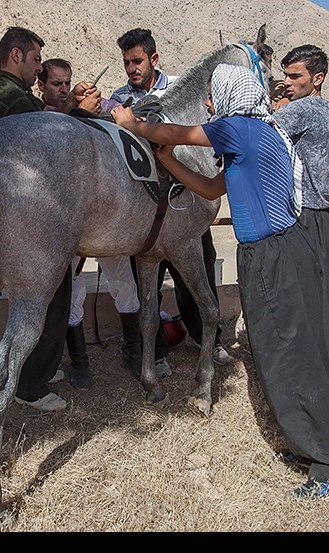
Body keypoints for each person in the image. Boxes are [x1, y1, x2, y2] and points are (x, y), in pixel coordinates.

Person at [112, 64, 329, 499]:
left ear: (230, 96)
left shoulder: (241, 129)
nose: (208, 102)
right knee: (277, 351)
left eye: (212, 95)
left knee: (289, 354)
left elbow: (181, 133)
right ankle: (307, 447)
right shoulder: (259, 135)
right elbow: (209, 188)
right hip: (273, 251)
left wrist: (134, 124)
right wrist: (166, 162)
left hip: (272, 254)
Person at [0, 26, 99, 412]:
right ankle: (30, 384)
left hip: (32, 208)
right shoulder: (10, 97)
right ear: (16, 56)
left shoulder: (14, 94)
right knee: (47, 302)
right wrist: (78, 113)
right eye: (35, 60)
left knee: (50, 299)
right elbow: (45, 131)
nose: (37, 71)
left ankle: (39, 370)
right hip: (35, 212)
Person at [36, 57, 167, 386]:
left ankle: (132, 352)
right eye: (57, 84)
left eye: (68, 83)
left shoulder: (81, 103)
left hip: (108, 215)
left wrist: (99, 104)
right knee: (73, 290)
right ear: (42, 86)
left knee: (124, 281)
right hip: (68, 219)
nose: (64, 89)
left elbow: (116, 112)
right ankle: (79, 361)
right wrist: (79, 111)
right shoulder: (37, 120)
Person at [112, 28, 233, 367]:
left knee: (198, 274)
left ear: (154, 59)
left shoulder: (182, 89)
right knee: (146, 284)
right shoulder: (120, 98)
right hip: (146, 213)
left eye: (137, 61)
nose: (131, 68)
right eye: (126, 62)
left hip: (189, 201)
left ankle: (208, 339)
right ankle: (159, 353)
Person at [273, 45, 329, 437]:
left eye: (295, 77)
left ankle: (320, 408)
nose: (287, 84)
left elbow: (256, 134)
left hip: (307, 219)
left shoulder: (304, 109)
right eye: (285, 76)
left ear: (316, 78)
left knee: (308, 316)